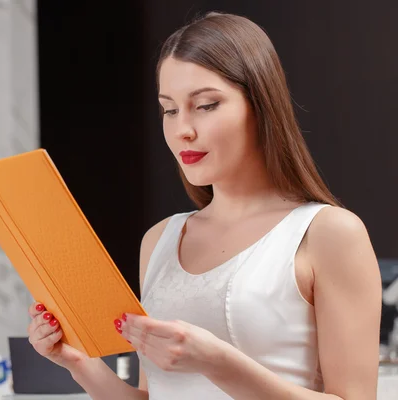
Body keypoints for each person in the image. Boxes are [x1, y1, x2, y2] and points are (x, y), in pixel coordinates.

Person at [26, 11, 382, 400]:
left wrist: (217, 361)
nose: (183, 129)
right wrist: (79, 363)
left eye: (206, 105)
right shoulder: (160, 240)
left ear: (261, 106)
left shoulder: (328, 233)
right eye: (170, 109)